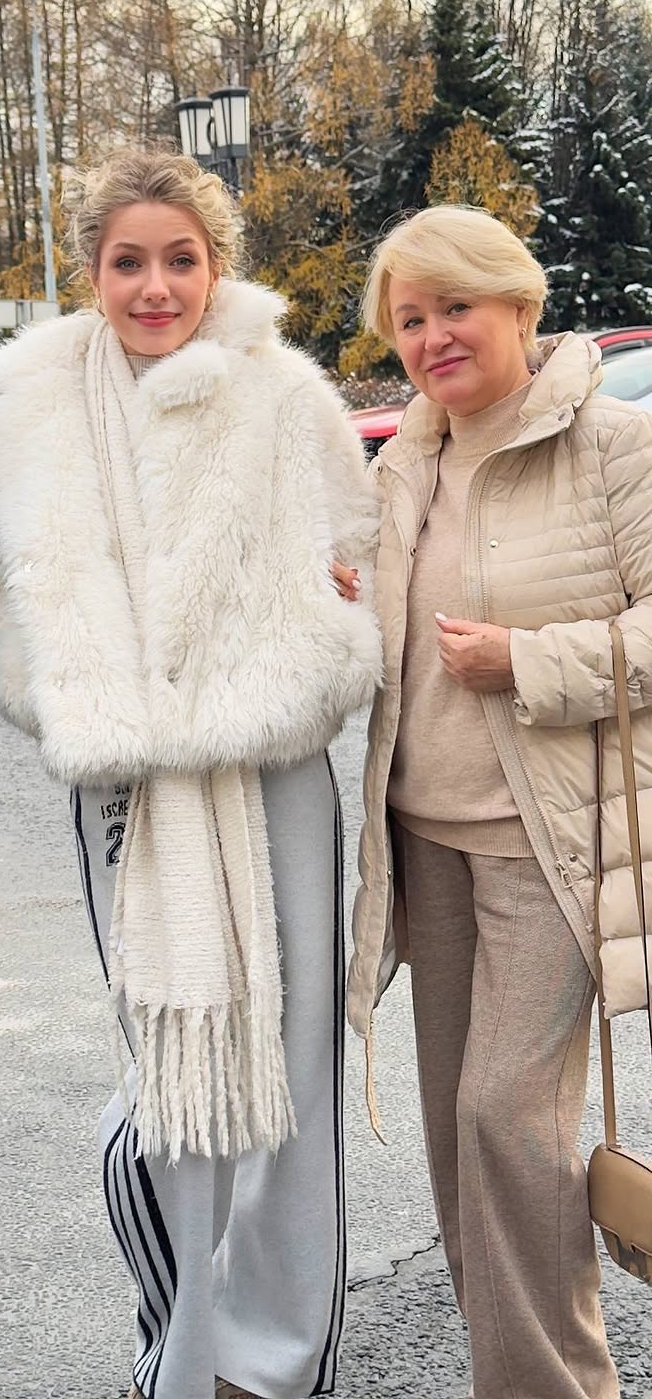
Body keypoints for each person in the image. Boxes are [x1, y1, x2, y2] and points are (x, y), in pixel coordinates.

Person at [0, 147, 382, 1399]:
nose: (155, 286)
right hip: (129, 794)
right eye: (128, 261)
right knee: (170, 1068)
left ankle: (280, 1360)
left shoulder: (284, 393)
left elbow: (362, 561)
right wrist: (80, 706)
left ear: (217, 263)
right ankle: (184, 1351)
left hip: (276, 775)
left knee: (293, 1072)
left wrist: (317, 635)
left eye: (180, 259)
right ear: (90, 269)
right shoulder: (20, 407)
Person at [351, 204, 652, 1399]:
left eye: (455, 307)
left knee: (505, 1121)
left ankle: (561, 1386)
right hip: (423, 842)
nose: (432, 337)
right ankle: (509, 1376)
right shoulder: (403, 463)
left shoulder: (613, 445)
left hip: (550, 839)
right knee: (455, 1135)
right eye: (410, 319)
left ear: (520, 305)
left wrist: (530, 661)